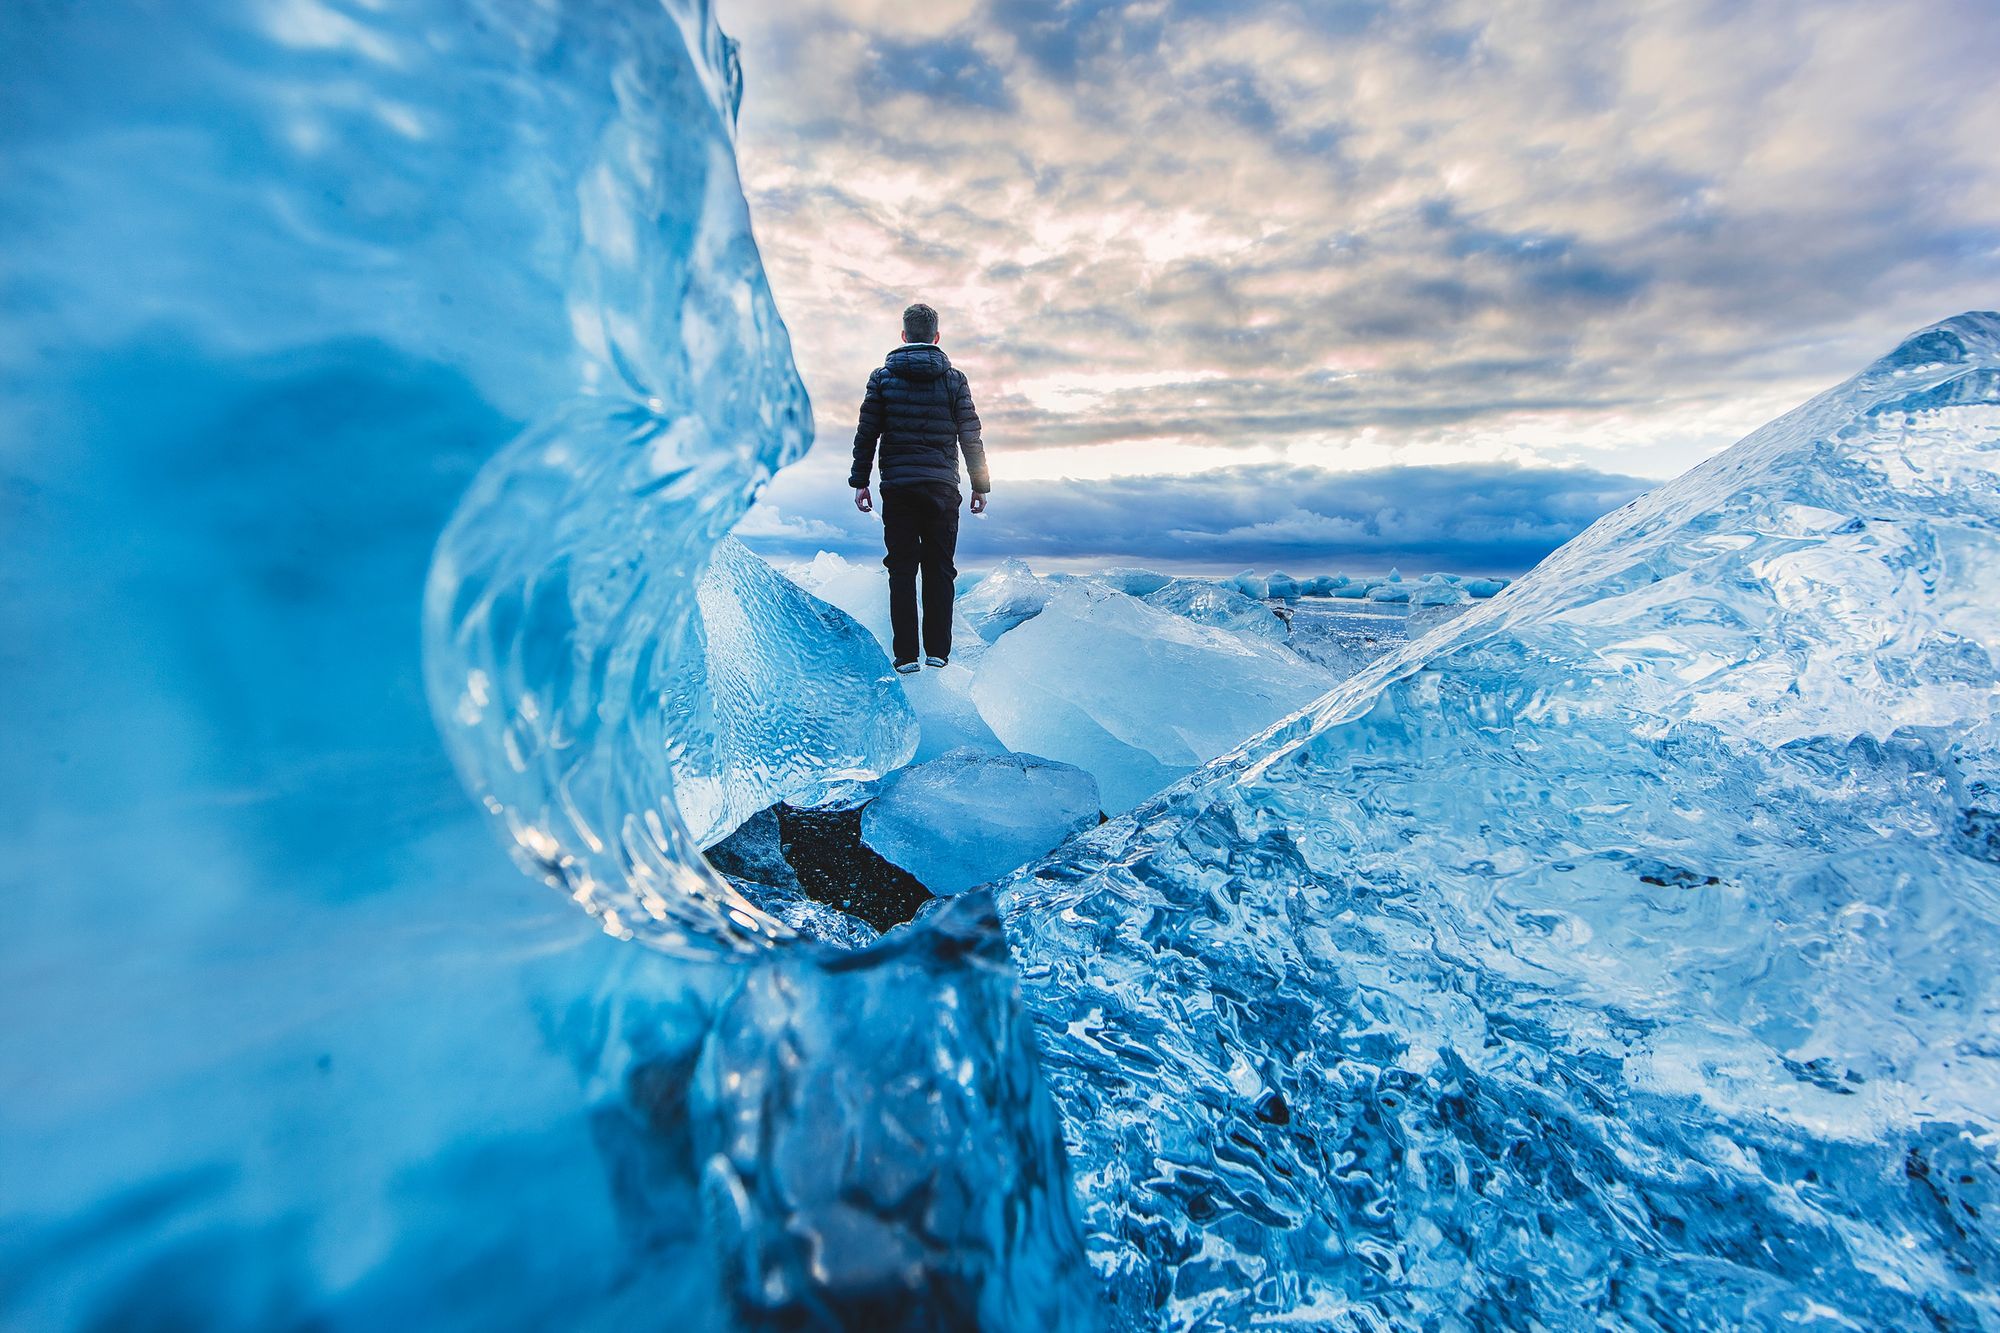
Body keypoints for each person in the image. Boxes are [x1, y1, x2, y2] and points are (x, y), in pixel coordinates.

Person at [849, 302, 990, 672]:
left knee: (901, 570)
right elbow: (970, 435)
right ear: (936, 337)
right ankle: (938, 653)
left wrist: (860, 481)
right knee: (940, 569)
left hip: (897, 487)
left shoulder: (882, 378)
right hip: (942, 488)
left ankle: (906, 656)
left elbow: (867, 434)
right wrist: (980, 485)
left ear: (904, 335)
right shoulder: (954, 380)